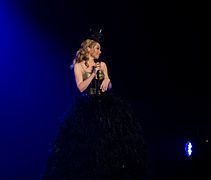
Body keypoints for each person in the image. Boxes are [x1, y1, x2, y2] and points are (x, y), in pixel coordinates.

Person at [41, 38, 148, 180]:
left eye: (100, 49)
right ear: (89, 49)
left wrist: (107, 80)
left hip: (104, 107)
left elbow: (109, 86)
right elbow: (80, 88)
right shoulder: (79, 66)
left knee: (110, 139)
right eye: (97, 48)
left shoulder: (102, 64)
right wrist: (92, 74)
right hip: (87, 106)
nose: (100, 51)